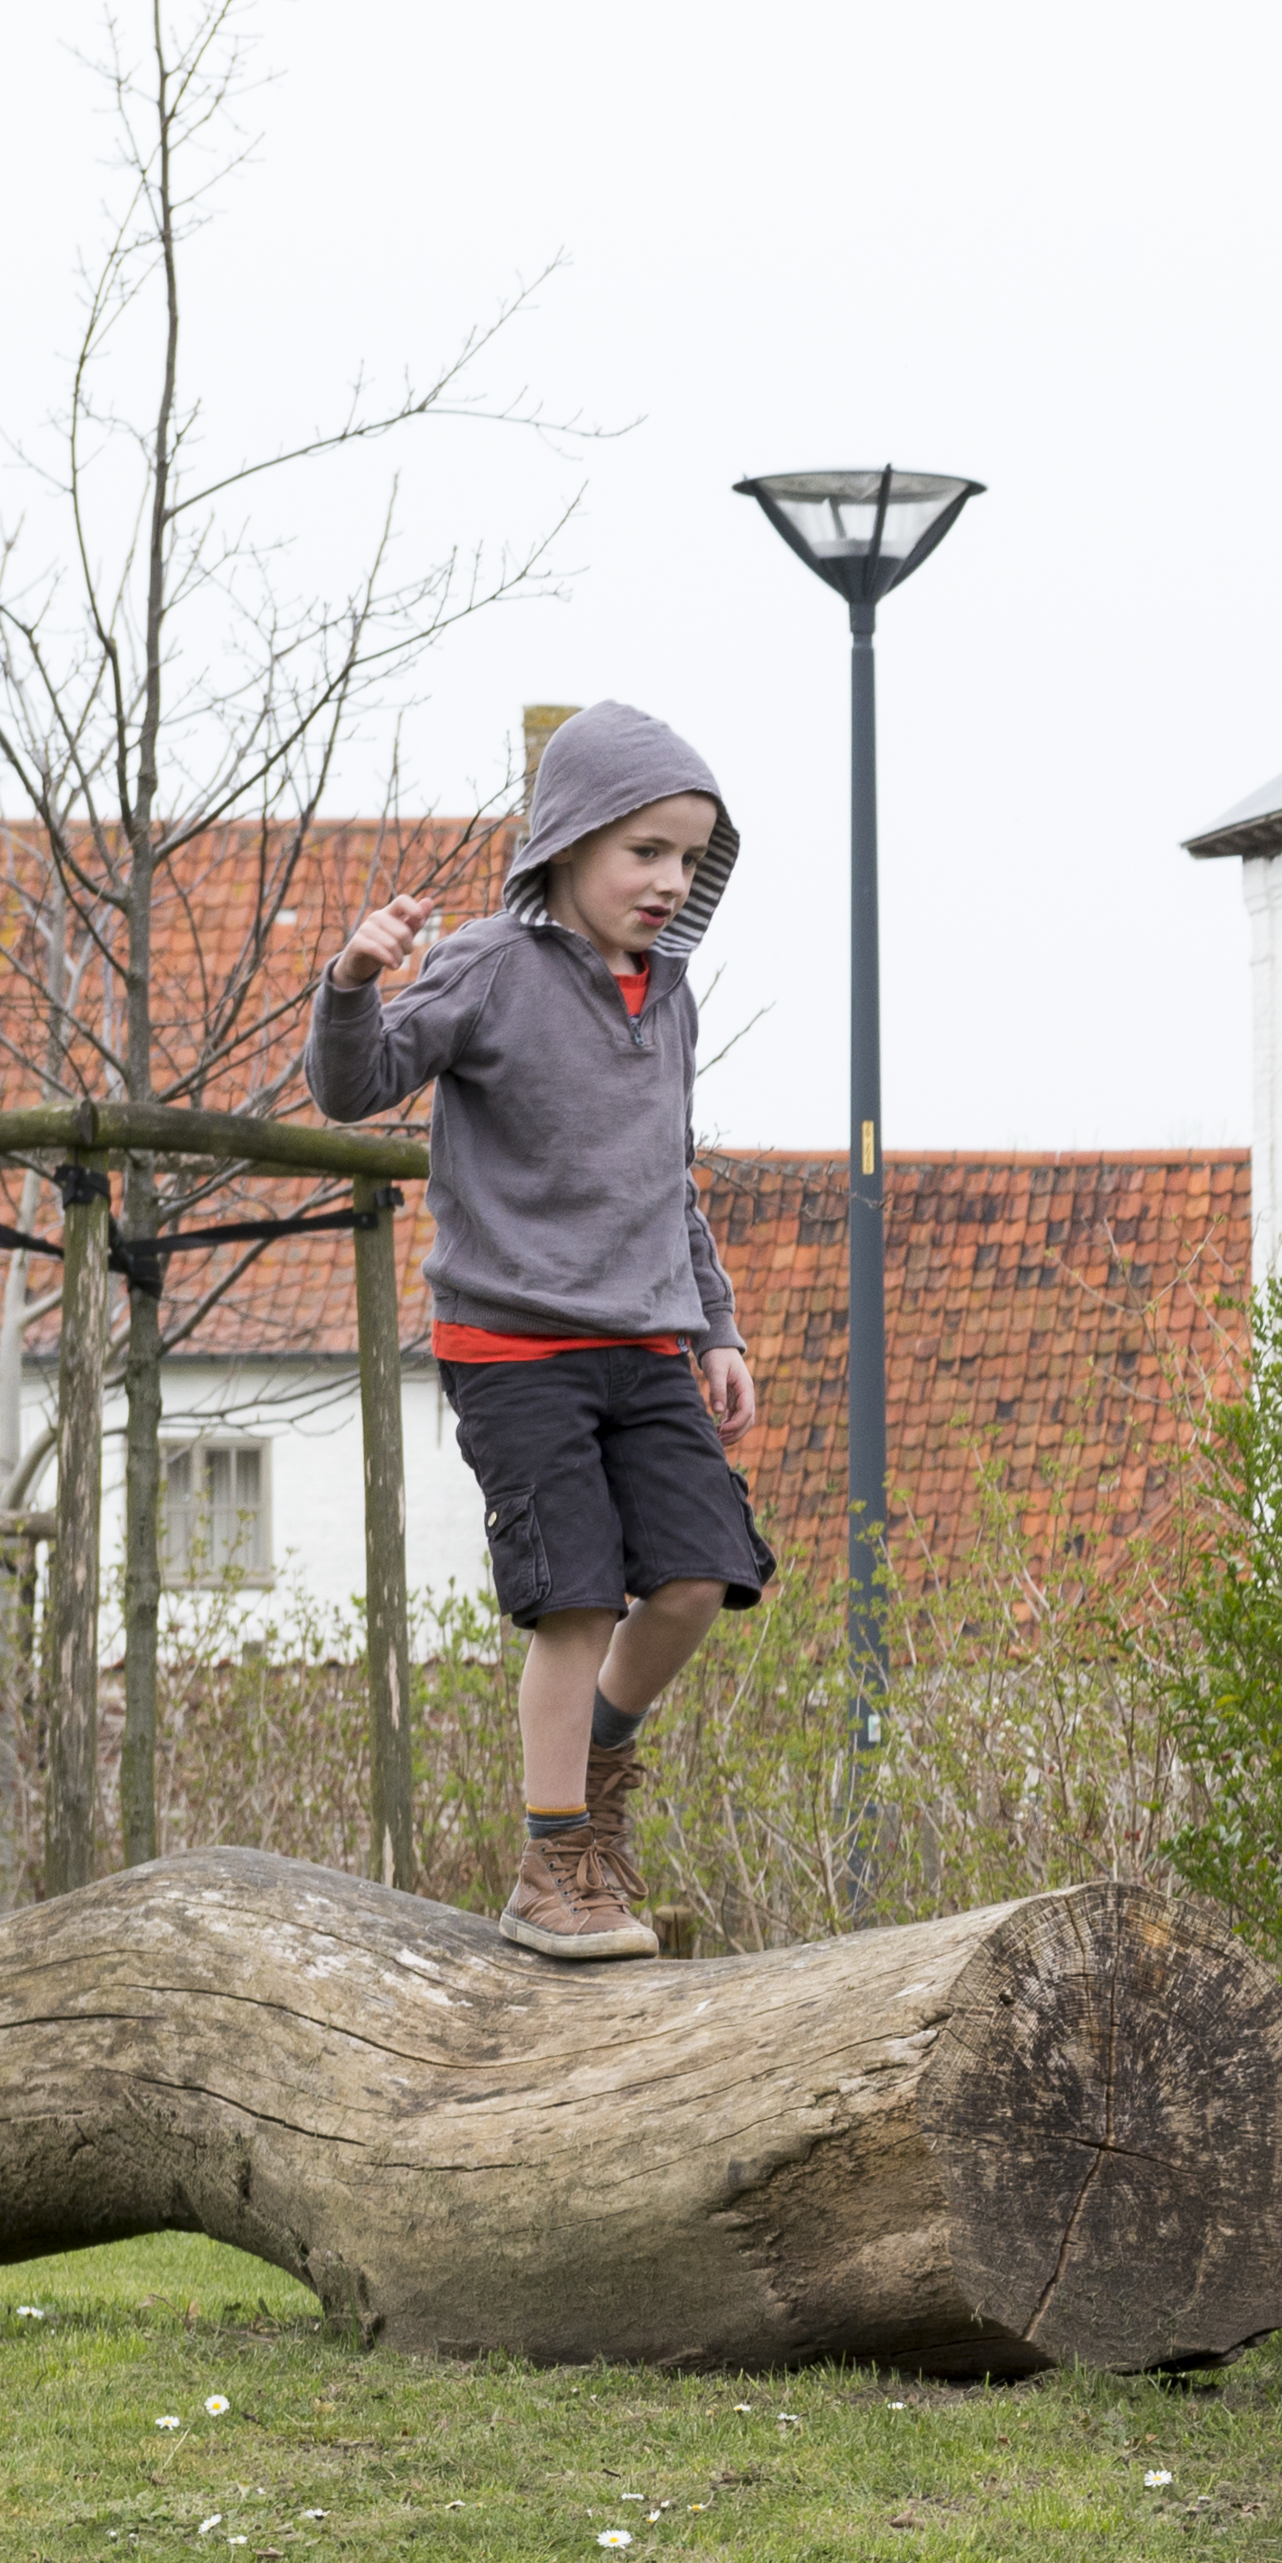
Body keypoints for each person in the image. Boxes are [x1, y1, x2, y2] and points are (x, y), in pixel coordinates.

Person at [311, 698, 772, 1964]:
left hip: (644, 1343)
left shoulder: (667, 999)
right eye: (644, 853)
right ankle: (552, 1862)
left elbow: (665, 1178)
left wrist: (714, 1327)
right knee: (574, 1601)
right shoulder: (486, 966)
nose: (669, 881)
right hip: (513, 1346)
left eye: (689, 858)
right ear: (566, 845)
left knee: (691, 1576)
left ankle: (601, 1766)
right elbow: (354, 1087)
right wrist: (354, 980)